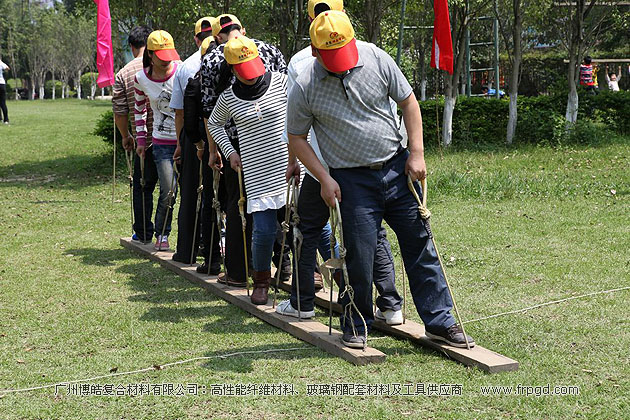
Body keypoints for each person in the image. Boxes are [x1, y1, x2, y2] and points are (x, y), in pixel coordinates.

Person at [287, 11, 475, 349]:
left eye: (344, 51)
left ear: (353, 40)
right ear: (314, 52)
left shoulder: (375, 57)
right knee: (358, 255)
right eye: (330, 56)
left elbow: (408, 102)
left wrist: (416, 153)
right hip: (351, 180)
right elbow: (297, 137)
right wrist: (324, 178)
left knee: (420, 244)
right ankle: (356, 324)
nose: (340, 63)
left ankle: (440, 321)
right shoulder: (304, 85)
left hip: (396, 168)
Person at [277, 0, 404, 326]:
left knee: (305, 230)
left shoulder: (300, 62)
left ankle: (303, 302)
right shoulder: (370, 52)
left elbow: (296, 126)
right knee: (370, 234)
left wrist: (294, 163)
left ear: (309, 22)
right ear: (344, 16)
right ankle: (390, 304)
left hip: (321, 167)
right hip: (366, 163)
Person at [200, 14, 287, 287]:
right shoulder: (221, 63)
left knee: (286, 210)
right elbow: (214, 117)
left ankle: (251, 271)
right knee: (250, 210)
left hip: (282, 148)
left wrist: (213, 151)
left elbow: (205, 109)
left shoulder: (213, 60)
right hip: (246, 152)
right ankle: (260, 272)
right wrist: (227, 151)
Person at [169, 16, 219, 265]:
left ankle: (186, 251)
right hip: (223, 137)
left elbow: (179, 110)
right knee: (216, 195)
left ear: (195, 38)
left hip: (194, 135)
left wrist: (182, 143)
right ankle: (213, 253)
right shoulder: (226, 59)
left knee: (190, 192)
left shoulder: (186, 66)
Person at [134, 30, 181, 250]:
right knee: (168, 189)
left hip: (186, 142)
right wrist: (141, 140)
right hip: (161, 143)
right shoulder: (141, 78)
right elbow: (139, 109)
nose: (166, 63)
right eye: (161, 58)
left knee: (185, 191)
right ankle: (162, 233)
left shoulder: (181, 71)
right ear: (151, 55)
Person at [182, 36, 225, 274]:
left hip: (212, 150)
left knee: (211, 201)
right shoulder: (234, 81)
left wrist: (202, 146)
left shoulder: (196, 83)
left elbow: (190, 124)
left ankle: (211, 260)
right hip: (239, 148)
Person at [112, 25, 159, 243]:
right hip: (169, 138)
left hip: (143, 141)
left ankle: (143, 233)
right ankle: (164, 233)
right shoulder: (167, 65)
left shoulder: (124, 73)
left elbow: (120, 112)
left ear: (132, 47)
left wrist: (126, 136)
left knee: (143, 188)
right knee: (172, 188)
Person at [0, 57, 10, 124]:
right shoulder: (0, 62)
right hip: (1, 84)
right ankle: (6, 120)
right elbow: (7, 68)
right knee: (3, 103)